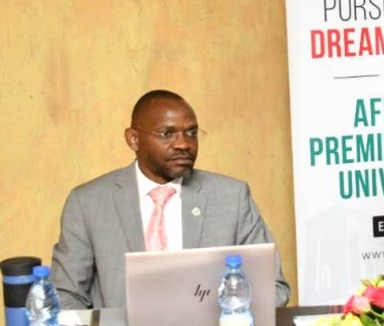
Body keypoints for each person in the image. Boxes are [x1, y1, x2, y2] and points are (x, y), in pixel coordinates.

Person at [51, 90, 291, 309]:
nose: (184, 144)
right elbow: (66, 296)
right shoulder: (88, 203)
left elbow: (274, 289)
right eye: (167, 134)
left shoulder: (232, 197)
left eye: (191, 133)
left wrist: (220, 319)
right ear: (133, 139)